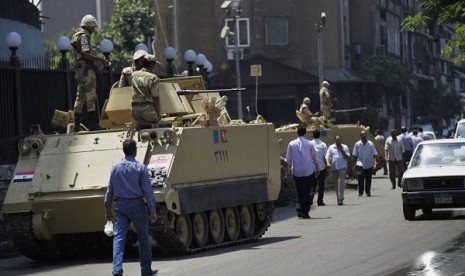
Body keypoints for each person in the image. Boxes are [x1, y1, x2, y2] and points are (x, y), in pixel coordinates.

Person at [104, 139, 158, 276]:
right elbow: (148, 191)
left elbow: (109, 191)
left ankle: (117, 270)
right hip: (137, 205)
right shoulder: (140, 168)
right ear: (135, 150)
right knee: (143, 238)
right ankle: (146, 270)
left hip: (120, 205)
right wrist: (153, 210)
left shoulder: (115, 168)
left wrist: (107, 209)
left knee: (119, 238)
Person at [71, 14, 111, 132]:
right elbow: (86, 54)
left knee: (80, 97)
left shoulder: (75, 36)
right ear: (88, 26)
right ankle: (93, 124)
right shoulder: (84, 36)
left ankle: (76, 125)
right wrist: (101, 60)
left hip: (79, 71)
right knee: (91, 95)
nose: (94, 30)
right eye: (93, 27)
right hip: (86, 70)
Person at [285, 125, 320, 219]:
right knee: (307, 192)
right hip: (308, 171)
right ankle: (305, 211)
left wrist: (288, 172)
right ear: (305, 133)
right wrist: (317, 169)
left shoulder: (291, 144)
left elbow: (288, 160)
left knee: (300, 192)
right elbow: (315, 158)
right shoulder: (310, 144)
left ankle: (301, 209)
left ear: (297, 132)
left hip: (297, 172)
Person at [131, 53, 162, 129]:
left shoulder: (134, 75)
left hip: (134, 108)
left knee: (141, 131)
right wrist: (158, 113)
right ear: (151, 65)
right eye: (154, 64)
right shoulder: (153, 78)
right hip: (147, 108)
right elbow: (155, 97)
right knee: (154, 133)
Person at [325, 135, 351, 205]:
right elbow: (327, 156)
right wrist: (327, 163)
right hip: (334, 168)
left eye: (340, 140)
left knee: (340, 182)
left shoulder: (345, 147)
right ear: (334, 140)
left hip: (342, 168)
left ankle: (340, 198)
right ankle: (339, 198)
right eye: (337, 140)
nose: (339, 142)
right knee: (336, 185)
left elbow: (348, 158)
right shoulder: (331, 147)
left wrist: (342, 150)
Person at [352, 130, 378, 197]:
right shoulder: (357, 144)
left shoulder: (371, 144)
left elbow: (374, 154)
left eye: (365, 134)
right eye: (362, 135)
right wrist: (354, 164)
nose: (364, 136)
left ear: (366, 135)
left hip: (369, 164)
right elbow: (355, 155)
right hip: (360, 164)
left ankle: (368, 192)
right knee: (360, 178)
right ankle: (360, 192)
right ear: (360, 136)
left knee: (368, 179)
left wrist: (374, 161)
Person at [311, 129, 327, 206]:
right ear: (319, 135)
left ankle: (310, 200)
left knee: (312, 186)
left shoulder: (309, 144)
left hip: (312, 169)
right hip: (321, 168)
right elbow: (324, 157)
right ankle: (320, 201)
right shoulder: (323, 144)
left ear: (312, 135)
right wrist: (327, 166)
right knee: (321, 185)